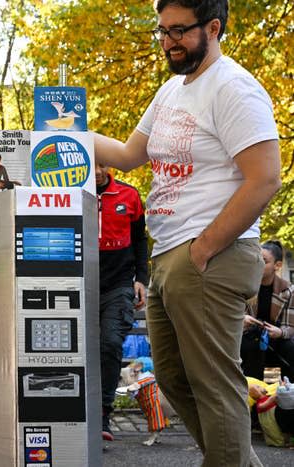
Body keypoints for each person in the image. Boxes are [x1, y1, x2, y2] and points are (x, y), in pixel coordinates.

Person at [92, 1, 281, 465]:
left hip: (208, 256)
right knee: (174, 380)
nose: (168, 41)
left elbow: (266, 178)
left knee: (215, 386)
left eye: (179, 31)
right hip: (171, 255)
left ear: (213, 27)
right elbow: (129, 154)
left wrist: (203, 249)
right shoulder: (172, 90)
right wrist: (58, 135)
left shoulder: (233, 88)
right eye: (162, 31)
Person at [95, 163, 148, 441]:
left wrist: (142, 278)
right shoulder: (70, 192)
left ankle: (104, 414)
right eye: (91, 164)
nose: (98, 170)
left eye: (102, 164)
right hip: (80, 282)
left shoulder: (129, 195)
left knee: (111, 342)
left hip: (118, 285)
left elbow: (140, 240)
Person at [241, 240, 294, 381]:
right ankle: (251, 391)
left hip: (274, 340)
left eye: (264, 261)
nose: (258, 264)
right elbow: (234, 314)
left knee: (283, 349)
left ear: (277, 265)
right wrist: (243, 320)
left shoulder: (288, 290)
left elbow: (290, 326)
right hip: (249, 337)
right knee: (250, 347)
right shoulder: (246, 286)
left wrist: (280, 332)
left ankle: (273, 393)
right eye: (256, 259)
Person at [248, 377, 294, 447]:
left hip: (276, 415)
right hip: (271, 419)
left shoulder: (268, 396)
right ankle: (282, 440)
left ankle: (288, 438)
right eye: (258, 387)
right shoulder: (259, 403)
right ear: (255, 393)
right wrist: (278, 393)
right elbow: (262, 405)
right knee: (277, 430)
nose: (261, 386)